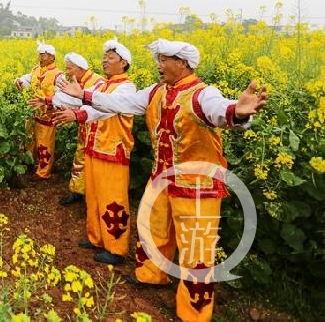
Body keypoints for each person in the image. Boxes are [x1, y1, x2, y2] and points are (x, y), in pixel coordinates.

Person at [55, 38, 268, 322]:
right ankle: (151, 275)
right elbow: (121, 101)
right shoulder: (156, 91)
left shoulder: (202, 94)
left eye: (164, 60)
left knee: (196, 249)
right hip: (161, 178)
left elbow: (220, 111)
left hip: (196, 188)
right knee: (153, 230)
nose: (159, 66)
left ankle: (193, 314)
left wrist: (237, 112)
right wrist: (86, 96)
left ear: (182, 63)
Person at [48, 40, 135, 265]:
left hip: (112, 151)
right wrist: (68, 107)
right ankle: (96, 237)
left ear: (124, 63)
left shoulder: (126, 88)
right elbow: (88, 104)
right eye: (104, 57)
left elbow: (105, 108)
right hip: (94, 149)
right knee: (94, 197)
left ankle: (116, 248)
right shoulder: (103, 85)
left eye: (110, 57)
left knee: (113, 200)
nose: (104, 60)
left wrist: (78, 115)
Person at [53, 52, 105, 206]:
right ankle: (77, 191)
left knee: (94, 163)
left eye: (69, 69)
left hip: (98, 131)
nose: (67, 72)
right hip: (84, 128)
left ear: (80, 68)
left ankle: (92, 195)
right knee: (80, 159)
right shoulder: (81, 81)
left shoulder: (98, 82)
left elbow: (90, 104)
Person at [15, 41, 64, 179]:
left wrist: (51, 104)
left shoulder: (58, 74)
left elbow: (61, 94)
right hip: (33, 112)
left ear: (52, 57)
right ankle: (29, 164)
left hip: (47, 115)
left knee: (45, 144)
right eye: (40, 55)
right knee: (29, 140)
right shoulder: (36, 69)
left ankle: (43, 173)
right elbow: (28, 79)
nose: (41, 58)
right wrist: (19, 80)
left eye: (44, 55)